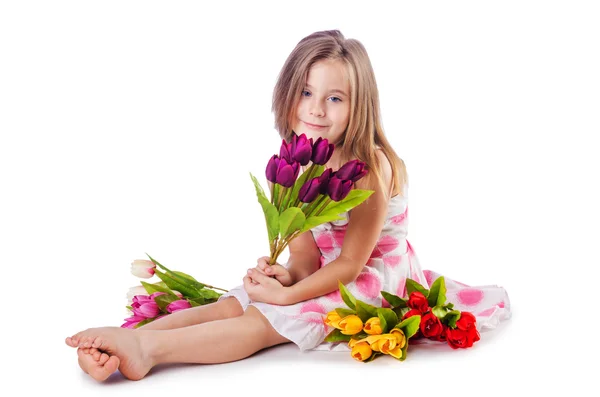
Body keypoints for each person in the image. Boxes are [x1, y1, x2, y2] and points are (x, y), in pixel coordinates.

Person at [65, 29, 511, 381]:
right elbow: (306, 255)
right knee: (233, 304)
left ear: (360, 106)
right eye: (306, 92)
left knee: (264, 320)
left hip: (373, 277)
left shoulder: (370, 166)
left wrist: (288, 295)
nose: (316, 109)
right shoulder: (299, 159)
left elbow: (352, 263)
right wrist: (286, 275)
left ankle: (148, 352)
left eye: (334, 98)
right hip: (323, 271)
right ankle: (121, 343)